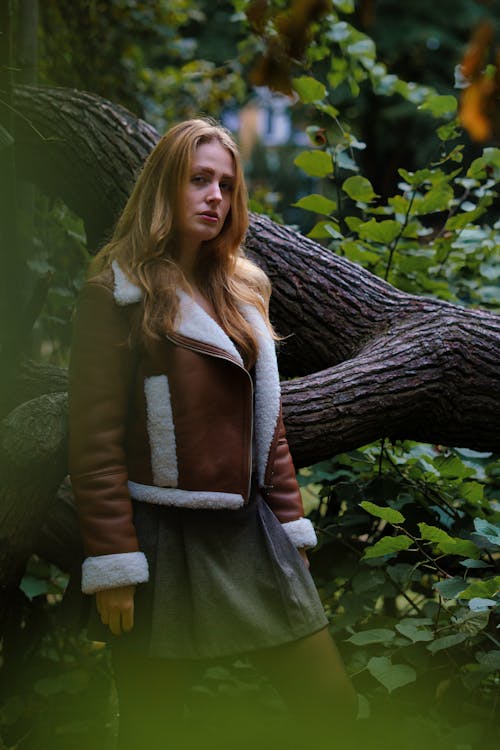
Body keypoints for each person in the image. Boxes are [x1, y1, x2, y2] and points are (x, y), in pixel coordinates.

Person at [68, 118, 356, 749]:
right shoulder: (116, 292)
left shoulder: (243, 290)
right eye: (199, 180)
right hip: (160, 537)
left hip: (253, 533)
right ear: (164, 188)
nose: (215, 198)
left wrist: (290, 528)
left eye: (226, 185)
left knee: (331, 706)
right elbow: (93, 441)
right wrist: (114, 561)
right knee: (154, 727)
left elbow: (268, 428)